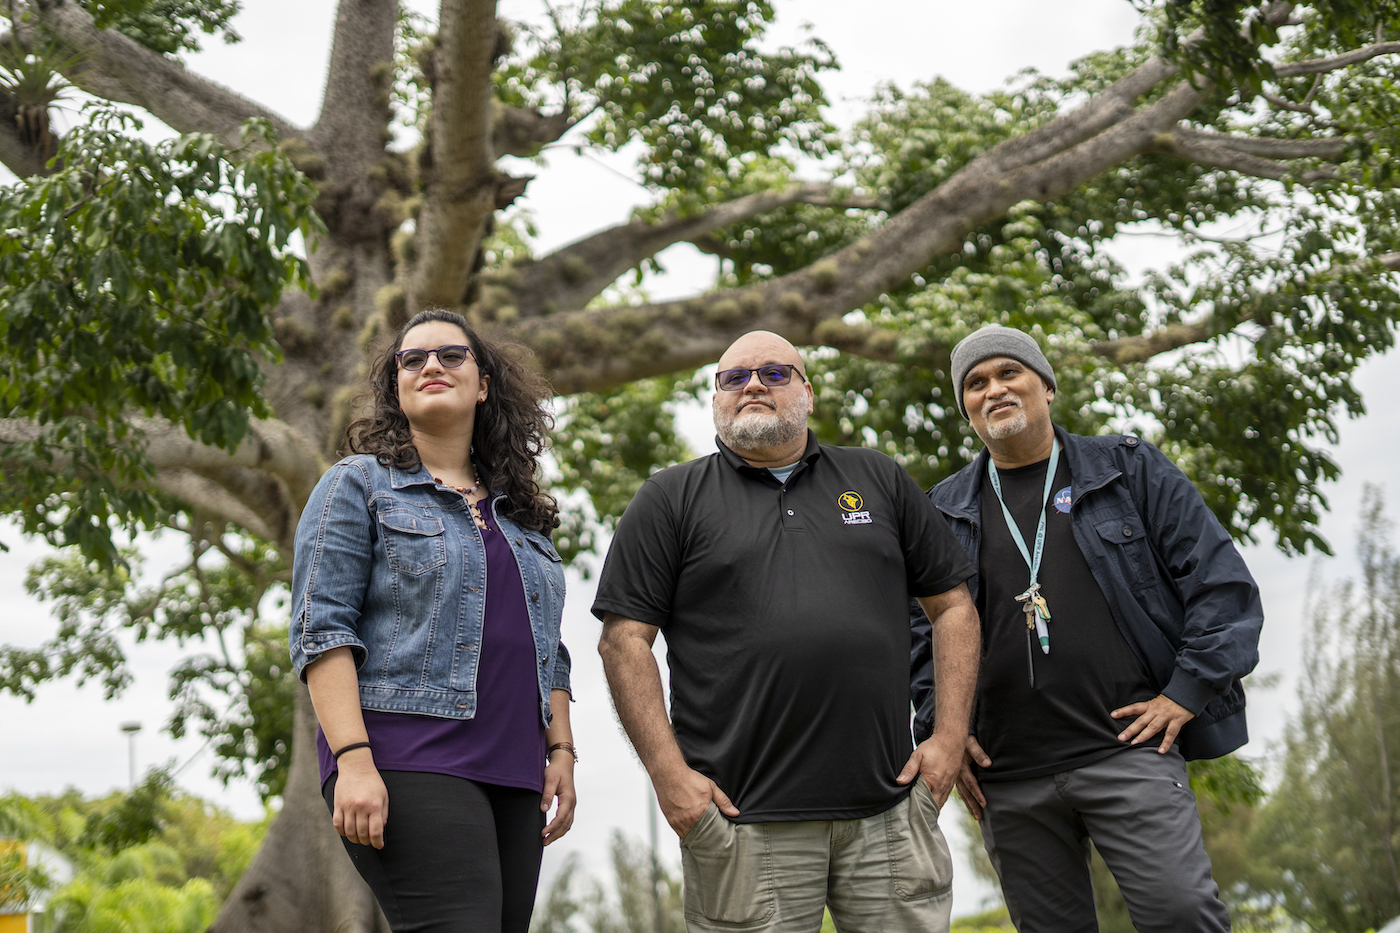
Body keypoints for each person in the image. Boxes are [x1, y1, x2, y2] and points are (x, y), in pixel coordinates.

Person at [594, 330, 980, 933]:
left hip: (890, 810)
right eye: (734, 377)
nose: (752, 385)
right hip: (742, 822)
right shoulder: (669, 498)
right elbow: (623, 642)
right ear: (716, 397)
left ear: (807, 390)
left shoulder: (877, 477)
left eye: (774, 373)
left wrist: (949, 738)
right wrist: (670, 778)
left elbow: (953, 607)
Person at [912, 323, 1263, 933]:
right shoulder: (940, 512)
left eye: (1009, 372)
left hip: (1128, 751)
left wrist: (1186, 691)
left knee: (1183, 913)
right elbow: (919, 639)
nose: (994, 389)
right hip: (1008, 776)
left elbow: (1220, 584)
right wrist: (945, 730)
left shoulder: (1127, 470)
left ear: (1047, 386)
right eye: (975, 383)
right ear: (966, 407)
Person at [289, 308, 576, 933]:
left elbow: (548, 650)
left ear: (484, 384)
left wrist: (562, 750)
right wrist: (353, 760)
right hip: (406, 755)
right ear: (396, 388)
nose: (430, 366)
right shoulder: (357, 486)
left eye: (450, 355)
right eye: (412, 359)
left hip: (515, 769)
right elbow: (322, 631)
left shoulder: (521, 514)